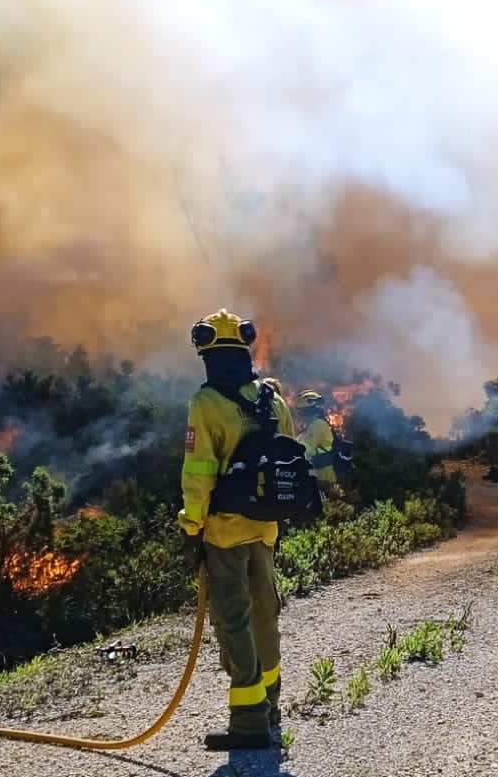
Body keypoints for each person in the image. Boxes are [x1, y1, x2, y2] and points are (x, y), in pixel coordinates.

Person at [182, 309, 297, 751]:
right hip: (265, 530)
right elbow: (290, 459)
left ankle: (249, 724)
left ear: (209, 354)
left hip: (224, 533)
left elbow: (198, 473)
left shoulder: (206, 403)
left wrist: (192, 526)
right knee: (265, 615)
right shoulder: (273, 399)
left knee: (234, 620)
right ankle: (271, 706)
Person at [294, 390, 342, 491]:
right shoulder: (310, 426)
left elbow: (306, 450)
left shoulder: (318, 425)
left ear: (311, 411)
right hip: (316, 475)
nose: (301, 416)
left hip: (324, 478)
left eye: (303, 412)